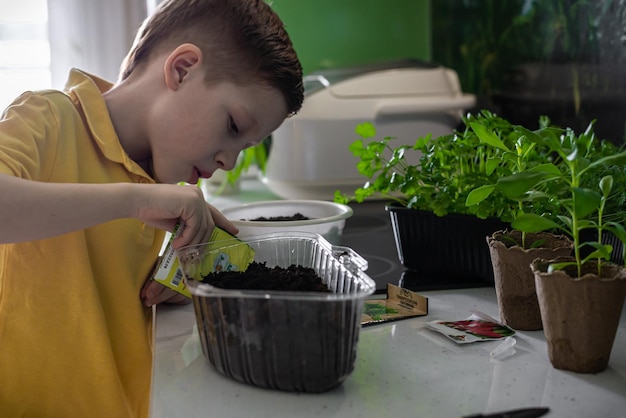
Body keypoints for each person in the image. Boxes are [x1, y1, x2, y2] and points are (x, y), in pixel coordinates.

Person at [0, 0, 303, 416]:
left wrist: (175, 281)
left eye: (244, 148)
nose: (229, 162)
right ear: (181, 69)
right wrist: (136, 201)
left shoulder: (161, 179)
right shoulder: (48, 118)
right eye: (233, 126)